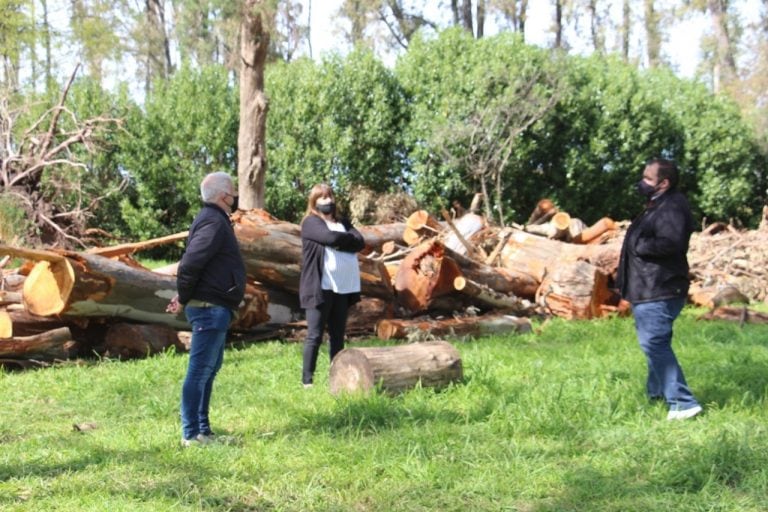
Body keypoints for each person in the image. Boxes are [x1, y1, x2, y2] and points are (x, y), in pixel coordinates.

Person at [616, 158, 702, 420]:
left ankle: (683, 403)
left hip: (660, 287)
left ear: (664, 183)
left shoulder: (672, 206)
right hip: (648, 287)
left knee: (654, 342)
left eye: (648, 179)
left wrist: (639, 246)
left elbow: (670, 243)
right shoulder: (659, 204)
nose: (642, 183)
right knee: (654, 342)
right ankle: (658, 394)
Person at [166, 172, 246, 446]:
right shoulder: (213, 221)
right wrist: (186, 296)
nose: (235, 196)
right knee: (200, 371)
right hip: (209, 309)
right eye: (233, 192)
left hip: (215, 307)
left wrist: (183, 295)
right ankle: (191, 434)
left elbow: (204, 266)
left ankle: (203, 431)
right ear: (224, 196)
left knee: (209, 370)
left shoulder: (216, 220)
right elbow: (189, 264)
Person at [299, 183, 365, 387]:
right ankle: (307, 381)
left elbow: (360, 241)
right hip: (320, 287)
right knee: (315, 335)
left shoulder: (343, 222)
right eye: (322, 197)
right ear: (314, 202)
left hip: (343, 288)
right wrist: (344, 242)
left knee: (338, 335)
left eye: (329, 196)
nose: (327, 201)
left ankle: (337, 377)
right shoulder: (310, 223)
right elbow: (329, 237)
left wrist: (338, 242)